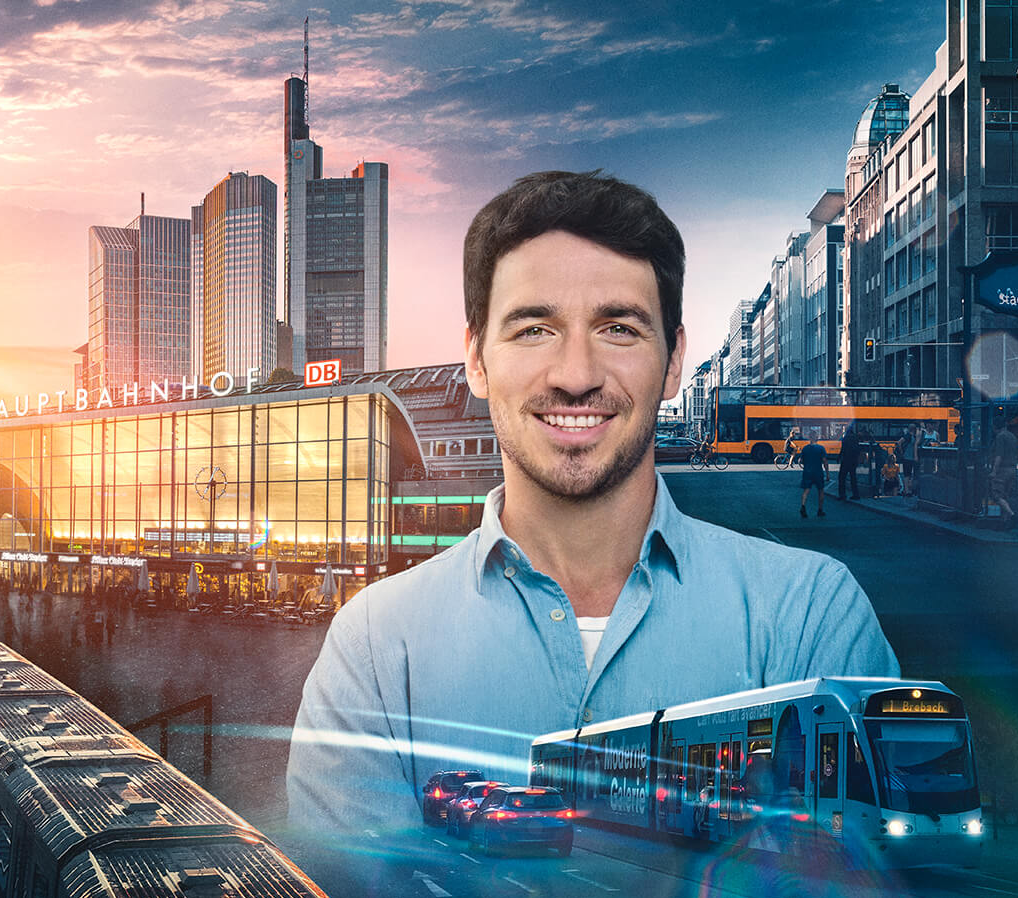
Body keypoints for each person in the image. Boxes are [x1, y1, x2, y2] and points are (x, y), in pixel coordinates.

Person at [285, 171, 899, 854]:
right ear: (476, 360)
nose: (574, 373)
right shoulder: (373, 644)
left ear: (672, 364)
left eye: (617, 327)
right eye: (532, 328)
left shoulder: (811, 613)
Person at [989, 417, 1018, 525]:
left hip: (1003, 469)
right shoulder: (1012, 436)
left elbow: (999, 455)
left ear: (994, 427)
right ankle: (1006, 521)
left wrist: (994, 471)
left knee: (997, 495)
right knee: (1006, 495)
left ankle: (1012, 515)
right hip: (1012, 469)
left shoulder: (1000, 437)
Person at [799, 437, 827, 518]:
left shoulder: (805, 448)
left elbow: (801, 460)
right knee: (821, 490)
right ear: (817, 439)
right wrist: (827, 473)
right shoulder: (821, 448)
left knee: (806, 490)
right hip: (818, 472)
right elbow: (825, 461)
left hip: (807, 472)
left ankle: (803, 506)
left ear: (809, 439)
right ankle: (820, 510)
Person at [837, 425, 862, 500]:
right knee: (853, 478)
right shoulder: (855, 438)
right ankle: (856, 494)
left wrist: (839, 457)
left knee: (842, 478)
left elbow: (843, 449)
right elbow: (858, 449)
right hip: (853, 461)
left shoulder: (845, 438)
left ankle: (842, 495)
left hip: (845, 460)